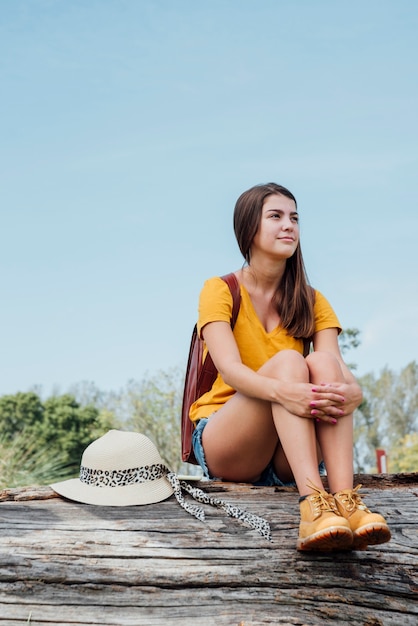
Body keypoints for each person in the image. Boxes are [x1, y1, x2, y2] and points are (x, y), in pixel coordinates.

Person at [189, 182, 391, 552]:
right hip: (229, 439)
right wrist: (287, 390)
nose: (289, 226)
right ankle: (313, 504)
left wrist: (354, 392)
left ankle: (345, 501)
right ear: (249, 228)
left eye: (294, 218)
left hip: (289, 451)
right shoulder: (219, 290)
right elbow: (231, 370)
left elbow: (339, 373)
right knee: (288, 362)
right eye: (276, 217)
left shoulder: (313, 301)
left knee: (322, 362)